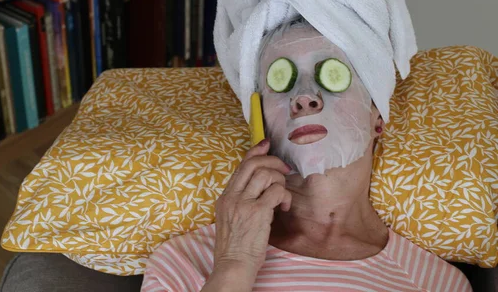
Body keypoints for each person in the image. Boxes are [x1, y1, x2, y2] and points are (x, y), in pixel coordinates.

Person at [140, 20, 472, 292]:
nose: (304, 98)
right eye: (282, 82)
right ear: (260, 122)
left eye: (332, 76)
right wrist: (233, 267)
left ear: (378, 119)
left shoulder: (437, 283)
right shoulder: (182, 262)